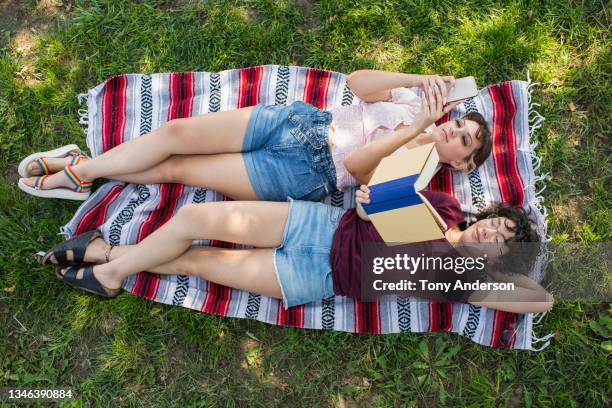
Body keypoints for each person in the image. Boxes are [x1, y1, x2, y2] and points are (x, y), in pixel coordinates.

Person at [42, 186, 552, 314]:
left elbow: (541, 301)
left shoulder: (465, 283)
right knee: (195, 220)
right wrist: (371, 202)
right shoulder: (444, 203)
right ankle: (109, 271)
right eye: (500, 226)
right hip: (319, 223)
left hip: (317, 277)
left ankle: (108, 255)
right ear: (488, 218)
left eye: (505, 243)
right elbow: (370, 198)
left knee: (196, 260)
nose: (495, 236)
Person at [18, 70, 491, 201]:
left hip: (303, 173)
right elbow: (357, 83)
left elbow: (356, 166)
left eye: (463, 140)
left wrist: (417, 130)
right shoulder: (415, 101)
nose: (453, 128)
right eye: (459, 122)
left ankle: (78, 173)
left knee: (177, 169)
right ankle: (85, 172)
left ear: (462, 165)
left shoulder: (419, 177)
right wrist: (418, 80)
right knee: (176, 131)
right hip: (303, 122)